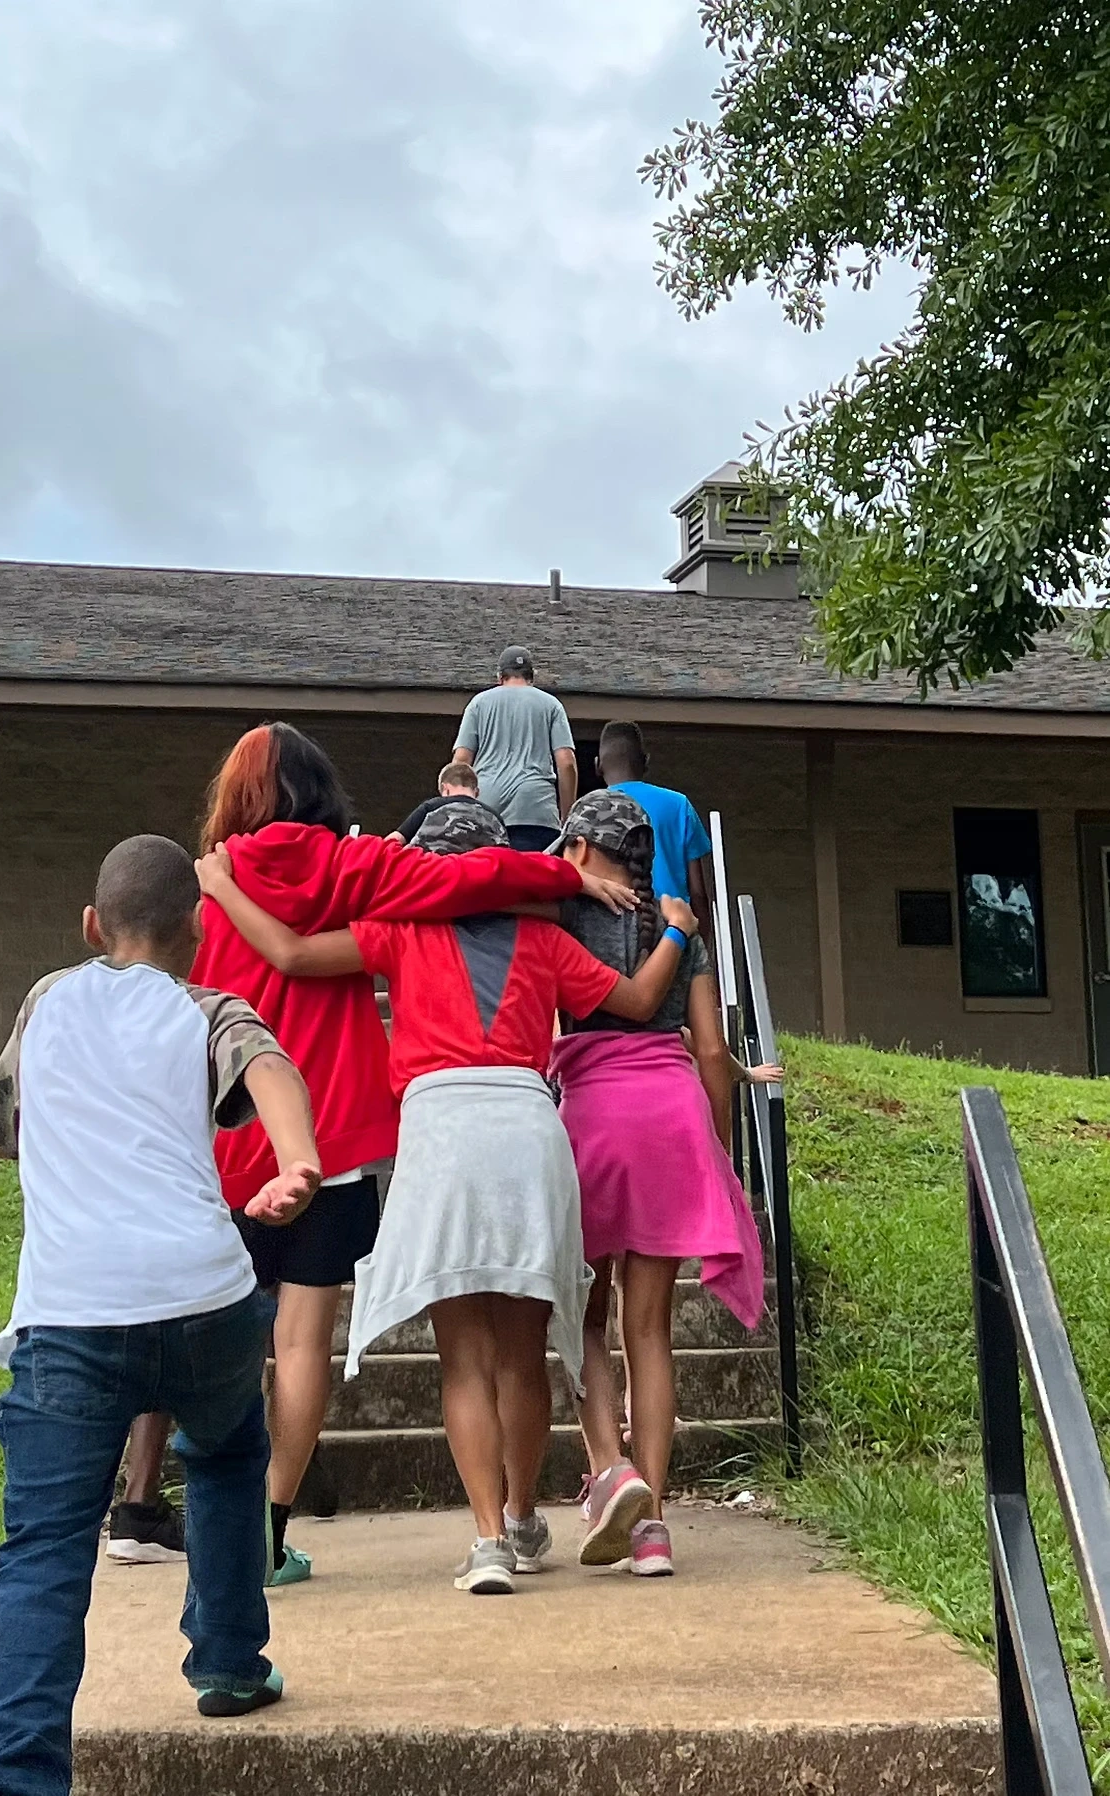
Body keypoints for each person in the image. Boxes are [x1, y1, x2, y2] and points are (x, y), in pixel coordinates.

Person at [165, 721, 637, 1588]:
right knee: (317, 1343)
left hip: (229, 1137)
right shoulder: (363, 873)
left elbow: (285, 954)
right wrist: (566, 873)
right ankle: (282, 1527)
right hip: (335, 1135)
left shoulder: (221, 889)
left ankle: (205, 1518)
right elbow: (503, 893)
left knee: (225, 1340)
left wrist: (221, 888)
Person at [0, 836, 322, 1796]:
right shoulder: (209, 1006)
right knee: (223, 1454)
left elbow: (1, 1133)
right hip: (204, 1298)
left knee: (44, 1548)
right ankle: (227, 1661)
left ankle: (14, 1777)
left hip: (71, 1316)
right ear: (199, 934)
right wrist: (295, 1163)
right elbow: (270, 1069)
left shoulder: (46, 1001)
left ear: (91, 927)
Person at [545, 791, 765, 1577]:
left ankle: (611, 1470)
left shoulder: (561, 916)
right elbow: (711, 1050)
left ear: (577, 848)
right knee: (651, 1330)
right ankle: (653, 1529)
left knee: (584, 1317)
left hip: (593, 1120)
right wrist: (710, 1143)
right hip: (670, 1115)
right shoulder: (683, 929)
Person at [596, 719, 715, 949]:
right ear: (646, 762)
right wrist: (702, 947)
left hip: (614, 935)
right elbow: (698, 892)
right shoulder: (679, 805)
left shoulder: (591, 810)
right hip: (674, 931)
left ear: (597, 766)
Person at [453, 646, 577, 851]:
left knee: (490, 879)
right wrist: (567, 816)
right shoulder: (551, 705)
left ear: (500, 677)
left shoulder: (478, 703)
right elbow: (567, 763)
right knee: (534, 880)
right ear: (532, 677)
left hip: (487, 807)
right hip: (536, 810)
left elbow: (461, 761)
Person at [387, 760, 480, 844]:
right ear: (476, 792)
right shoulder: (492, 815)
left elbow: (397, 838)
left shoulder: (432, 806)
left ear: (445, 788)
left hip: (433, 861)